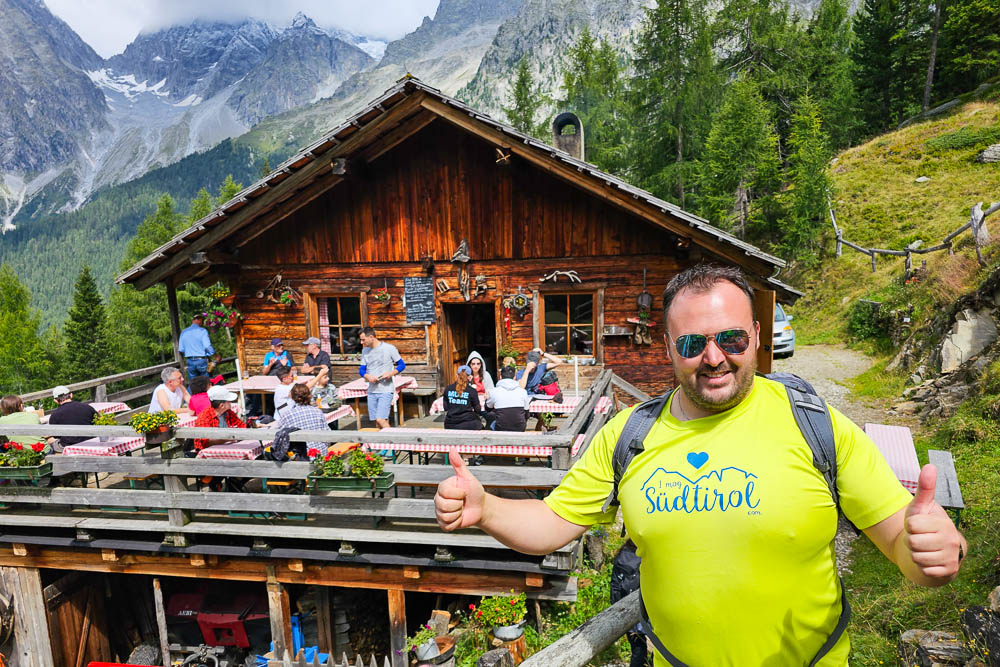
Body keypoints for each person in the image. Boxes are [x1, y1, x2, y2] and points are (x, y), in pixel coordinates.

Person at [435, 264, 966, 666]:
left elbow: (904, 548)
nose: (713, 357)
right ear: (668, 347)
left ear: (756, 337)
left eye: (730, 338)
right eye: (692, 343)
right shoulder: (630, 434)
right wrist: (486, 509)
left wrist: (932, 553)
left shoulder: (816, 424)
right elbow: (552, 524)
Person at [359, 327, 405, 429]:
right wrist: (367, 376)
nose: (361, 342)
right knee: (378, 421)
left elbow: (402, 365)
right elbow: (361, 370)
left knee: (381, 419)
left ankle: (393, 443)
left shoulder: (389, 348)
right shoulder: (365, 351)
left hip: (386, 389)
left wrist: (391, 373)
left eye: (363, 339)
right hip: (372, 390)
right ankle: (381, 444)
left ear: (371, 337)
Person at [277, 383, 331, 459]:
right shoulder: (318, 411)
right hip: (321, 453)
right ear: (309, 395)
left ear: (292, 397)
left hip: (302, 456)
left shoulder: (288, 414)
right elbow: (327, 432)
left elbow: (279, 433)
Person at [191, 385, 247, 452]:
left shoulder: (227, 412)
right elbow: (205, 443)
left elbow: (242, 426)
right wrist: (228, 438)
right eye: (229, 401)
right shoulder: (204, 417)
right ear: (222, 405)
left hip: (227, 450)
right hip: (207, 455)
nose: (231, 403)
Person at [47, 386, 97, 451]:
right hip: (90, 442)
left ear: (55, 400)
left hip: (69, 445)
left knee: (49, 442)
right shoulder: (87, 407)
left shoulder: (55, 414)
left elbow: (55, 435)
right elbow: (97, 421)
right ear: (71, 395)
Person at [484, 364, 530, 432]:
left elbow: (488, 408)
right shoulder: (523, 392)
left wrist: (487, 398)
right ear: (514, 378)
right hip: (520, 428)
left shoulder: (494, 391)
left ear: (500, 377)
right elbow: (526, 413)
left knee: (491, 422)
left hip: (501, 428)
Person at [442, 365, 483, 431]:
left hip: (450, 424)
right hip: (468, 424)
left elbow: (445, 407)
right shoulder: (472, 391)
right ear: (469, 377)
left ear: (456, 375)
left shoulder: (448, 389)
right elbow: (478, 409)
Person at [177, 313, 217, 380]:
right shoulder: (203, 331)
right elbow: (207, 346)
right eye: (202, 321)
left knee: (193, 383)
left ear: (193, 321)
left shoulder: (184, 332)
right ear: (200, 321)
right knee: (205, 381)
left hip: (190, 361)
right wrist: (215, 355)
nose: (202, 323)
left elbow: (181, 349)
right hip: (201, 360)